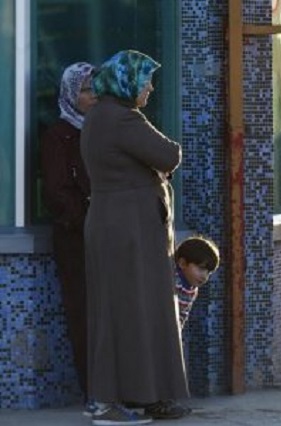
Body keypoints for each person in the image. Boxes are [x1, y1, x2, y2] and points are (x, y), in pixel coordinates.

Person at [81, 50, 189, 425]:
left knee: (140, 311)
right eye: (145, 81)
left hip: (128, 230)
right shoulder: (121, 119)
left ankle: (148, 394)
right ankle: (107, 402)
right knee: (124, 311)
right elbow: (168, 153)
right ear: (125, 82)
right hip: (126, 232)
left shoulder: (104, 116)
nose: (150, 88)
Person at [40, 61, 96, 402]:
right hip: (77, 239)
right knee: (84, 313)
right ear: (71, 94)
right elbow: (58, 193)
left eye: (96, 90)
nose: (93, 97)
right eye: (87, 91)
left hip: (104, 235)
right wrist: (86, 219)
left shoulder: (101, 130)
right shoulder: (58, 136)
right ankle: (95, 389)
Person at [174, 236, 220, 329]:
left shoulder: (193, 290)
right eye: (201, 268)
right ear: (182, 263)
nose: (205, 276)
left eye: (208, 272)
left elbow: (183, 314)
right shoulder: (173, 278)